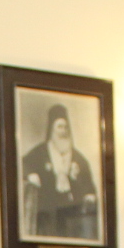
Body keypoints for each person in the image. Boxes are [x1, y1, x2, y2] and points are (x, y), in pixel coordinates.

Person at [20, 102, 99, 240]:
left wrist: (89, 193)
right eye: (59, 127)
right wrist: (30, 174)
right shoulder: (40, 152)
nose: (63, 131)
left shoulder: (77, 157)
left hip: (71, 210)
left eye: (65, 127)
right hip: (47, 209)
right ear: (52, 129)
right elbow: (23, 164)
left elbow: (87, 180)